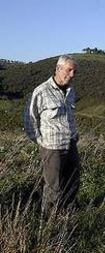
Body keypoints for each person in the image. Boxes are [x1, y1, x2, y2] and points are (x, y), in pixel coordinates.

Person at [24, 55, 80, 217]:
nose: (72, 74)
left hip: (70, 144)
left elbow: (70, 116)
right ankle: (49, 220)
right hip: (52, 147)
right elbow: (30, 119)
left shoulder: (70, 91)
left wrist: (75, 135)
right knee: (53, 186)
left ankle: (68, 214)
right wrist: (41, 141)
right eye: (69, 70)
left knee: (72, 181)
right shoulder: (42, 91)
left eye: (74, 71)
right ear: (58, 69)